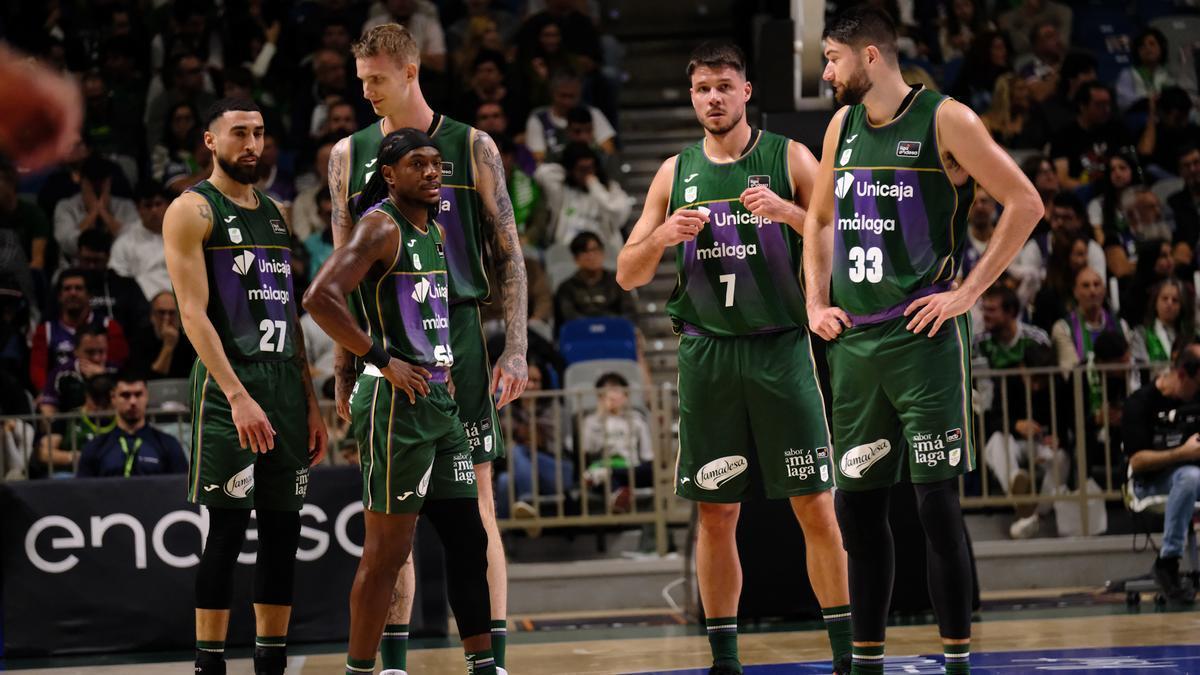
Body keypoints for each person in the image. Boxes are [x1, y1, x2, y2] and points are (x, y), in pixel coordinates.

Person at [805, 8, 1044, 673]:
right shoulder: (840, 127)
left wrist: (967, 293)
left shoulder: (947, 119)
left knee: (936, 502)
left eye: (832, 57)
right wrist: (814, 302)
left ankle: (958, 658)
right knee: (857, 507)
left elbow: (1025, 201)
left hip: (924, 337)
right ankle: (868, 659)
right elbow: (820, 220)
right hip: (855, 345)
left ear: (872, 56)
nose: (826, 71)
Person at [617, 42, 851, 675]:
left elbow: (838, 231)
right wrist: (663, 235)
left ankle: (847, 656)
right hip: (708, 355)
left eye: (723, 86)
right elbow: (626, 273)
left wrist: (789, 212)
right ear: (692, 96)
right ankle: (725, 661)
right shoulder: (674, 171)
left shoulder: (787, 156)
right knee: (717, 512)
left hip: (780, 348)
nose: (712, 98)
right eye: (701, 89)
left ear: (747, 91)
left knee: (815, 504)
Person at [328, 24, 528, 674]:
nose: (366, 92)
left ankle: (488, 657)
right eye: (360, 81)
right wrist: (355, 362)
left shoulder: (471, 146)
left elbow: (509, 255)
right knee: (394, 530)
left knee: (477, 511)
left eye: (376, 80)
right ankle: (386, 662)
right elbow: (336, 277)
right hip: (390, 353)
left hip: (458, 340)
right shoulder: (349, 160)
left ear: (410, 72)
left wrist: (516, 347)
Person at [304, 128, 497, 675]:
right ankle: (361, 669)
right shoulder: (379, 226)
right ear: (389, 174)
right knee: (387, 553)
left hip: (439, 403)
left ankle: (484, 664)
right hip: (394, 406)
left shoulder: (432, 229)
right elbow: (320, 297)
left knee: (468, 538)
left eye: (437, 163)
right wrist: (381, 359)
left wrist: (443, 368)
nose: (434, 172)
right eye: (419, 164)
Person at [162, 98, 328, 675]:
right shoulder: (190, 209)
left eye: (259, 132)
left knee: (283, 532)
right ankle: (210, 666)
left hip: (284, 382)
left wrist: (309, 401)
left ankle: (270, 667)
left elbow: (288, 310)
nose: (252, 143)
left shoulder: (277, 213)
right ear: (211, 141)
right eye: (239, 133)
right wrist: (237, 396)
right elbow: (192, 314)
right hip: (228, 384)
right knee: (228, 531)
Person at [1125, 344, 1200, 604]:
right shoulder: (1140, 403)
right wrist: (1184, 453)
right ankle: (1167, 562)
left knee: (1191, 477)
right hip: (1151, 482)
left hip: (1192, 478)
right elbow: (1138, 461)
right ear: (1182, 375)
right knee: (1189, 476)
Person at [29, 268, 128, 393]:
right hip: (60, 396)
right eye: (67, 289)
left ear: (89, 295)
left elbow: (118, 365)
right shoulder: (45, 331)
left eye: (78, 288)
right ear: (59, 296)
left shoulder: (109, 326)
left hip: (105, 391)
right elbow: (37, 370)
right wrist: (48, 394)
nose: (73, 293)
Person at [76, 370, 188, 477]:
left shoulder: (168, 445)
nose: (133, 401)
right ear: (113, 398)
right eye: (125, 395)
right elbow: (83, 492)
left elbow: (182, 488)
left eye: (138, 394)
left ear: (147, 397)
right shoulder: (95, 448)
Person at [579, 371, 654, 512]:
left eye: (617, 391)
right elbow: (588, 449)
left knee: (651, 470)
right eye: (606, 392)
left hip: (631, 469)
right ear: (599, 397)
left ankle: (609, 476)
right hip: (604, 465)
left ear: (626, 396)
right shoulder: (590, 421)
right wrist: (601, 419)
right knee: (605, 480)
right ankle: (618, 497)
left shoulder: (637, 420)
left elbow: (648, 455)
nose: (612, 396)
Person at [53, 154, 142, 264]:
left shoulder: (126, 206)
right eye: (91, 183)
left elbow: (134, 241)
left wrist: (104, 214)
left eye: (102, 182)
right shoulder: (65, 207)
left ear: (109, 182)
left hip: (118, 267)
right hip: (76, 268)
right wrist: (93, 214)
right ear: (82, 181)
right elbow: (68, 244)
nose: (97, 188)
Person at [1049, 82, 1133, 190]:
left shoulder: (1116, 128)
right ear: (1083, 106)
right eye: (1099, 105)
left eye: (1108, 104)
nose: (1107, 109)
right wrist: (1093, 189)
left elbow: (1131, 166)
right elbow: (1062, 180)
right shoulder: (1064, 136)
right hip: (1084, 193)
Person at [524, 71, 616, 162]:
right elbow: (539, 159)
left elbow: (608, 152)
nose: (567, 102)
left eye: (572, 96)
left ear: (579, 95)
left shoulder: (591, 113)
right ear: (552, 94)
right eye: (563, 96)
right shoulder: (539, 118)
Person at [36, 372, 114, 478]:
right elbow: (44, 453)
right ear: (87, 396)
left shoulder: (123, 421)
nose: (99, 408)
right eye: (96, 401)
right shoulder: (67, 419)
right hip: (71, 476)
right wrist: (75, 457)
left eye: (105, 404)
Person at [554, 232, 634, 328]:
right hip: (581, 335)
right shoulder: (566, 288)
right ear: (576, 258)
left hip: (614, 333)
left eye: (595, 250)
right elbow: (567, 317)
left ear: (602, 253)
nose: (591, 256)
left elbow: (629, 313)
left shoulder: (618, 282)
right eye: (585, 251)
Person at [111, 180, 173, 300]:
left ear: (168, 204)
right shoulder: (124, 242)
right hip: (143, 305)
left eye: (158, 204)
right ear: (138, 209)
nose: (154, 210)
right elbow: (118, 278)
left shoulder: (185, 236)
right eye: (148, 206)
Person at [38, 325, 115, 416]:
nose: (96, 358)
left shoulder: (115, 372)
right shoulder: (60, 374)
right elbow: (47, 412)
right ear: (76, 351)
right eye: (90, 352)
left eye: (101, 352)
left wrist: (102, 378)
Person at [127, 291, 197, 380]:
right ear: (152, 316)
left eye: (171, 313)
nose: (167, 318)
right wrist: (168, 347)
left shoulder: (190, 339)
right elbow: (145, 381)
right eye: (161, 312)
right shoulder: (140, 338)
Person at [1131, 277, 1194, 366]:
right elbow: (1140, 369)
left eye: (1175, 300)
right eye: (1165, 298)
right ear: (1155, 303)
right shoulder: (1141, 334)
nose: (1169, 303)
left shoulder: (1191, 335)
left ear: (1181, 307)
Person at [1116, 28, 1176, 114]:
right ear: (1137, 52)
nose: (1147, 48)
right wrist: (1150, 101)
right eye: (1142, 46)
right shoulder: (1128, 74)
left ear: (1161, 47)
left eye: (1152, 44)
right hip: (1140, 118)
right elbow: (1124, 103)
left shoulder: (1169, 73)